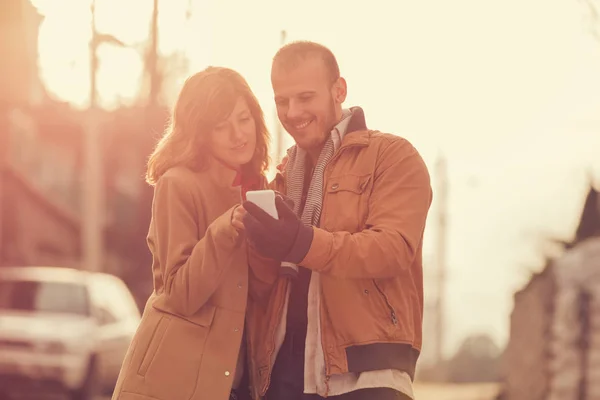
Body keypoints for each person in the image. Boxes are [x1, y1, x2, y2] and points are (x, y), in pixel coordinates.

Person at [242, 41, 433, 400]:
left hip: (368, 373)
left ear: (338, 90)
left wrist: (301, 242)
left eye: (305, 97)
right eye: (282, 101)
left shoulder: (393, 156)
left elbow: (392, 249)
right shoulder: (280, 180)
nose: (292, 111)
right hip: (283, 376)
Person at [111, 66, 271, 400]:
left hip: (232, 382)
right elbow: (180, 294)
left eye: (244, 119)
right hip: (171, 380)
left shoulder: (258, 190)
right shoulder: (178, 184)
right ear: (200, 132)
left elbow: (262, 292)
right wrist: (225, 229)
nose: (238, 134)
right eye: (221, 126)